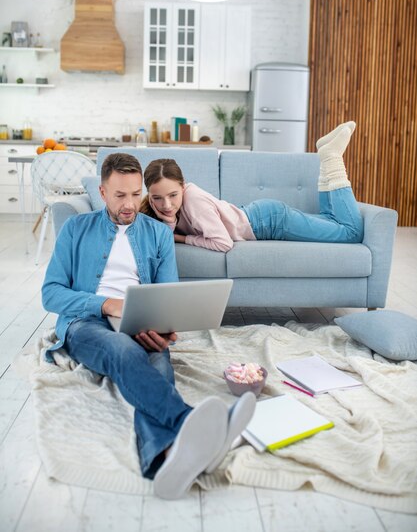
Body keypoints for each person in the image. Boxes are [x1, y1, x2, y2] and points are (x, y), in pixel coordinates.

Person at [42, 152, 256, 500]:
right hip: (86, 323)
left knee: (158, 362)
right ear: (102, 191)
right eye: (119, 195)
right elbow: (51, 294)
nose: (129, 204)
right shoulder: (75, 229)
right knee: (122, 350)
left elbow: (166, 293)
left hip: (140, 322)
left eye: (135, 194)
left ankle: (168, 456)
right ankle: (191, 423)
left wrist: (163, 325)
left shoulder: (157, 234)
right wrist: (106, 304)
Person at [140, 121, 364, 252]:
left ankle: (332, 159)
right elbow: (164, 235)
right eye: (157, 198)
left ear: (183, 186)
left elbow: (223, 244)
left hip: (270, 223)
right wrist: (169, 221)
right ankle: (326, 157)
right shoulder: (163, 206)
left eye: (173, 195)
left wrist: (182, 238)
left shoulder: (194, 201)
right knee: (331, 219)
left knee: (350, 234)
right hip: (261, 216)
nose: (167, 204)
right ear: (149, 195)